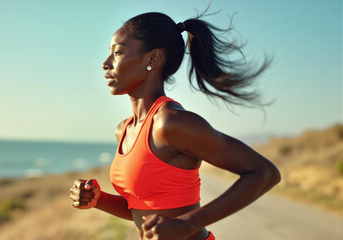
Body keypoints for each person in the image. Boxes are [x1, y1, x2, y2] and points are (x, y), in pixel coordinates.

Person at [69, 10, 281, 240]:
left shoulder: (171, 123)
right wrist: (98, 200)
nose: (105, 64)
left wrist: (187, 224)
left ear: (153, 59)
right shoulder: (124, 130)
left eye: (118, 52)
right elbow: (143, 208)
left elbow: (264, 173)